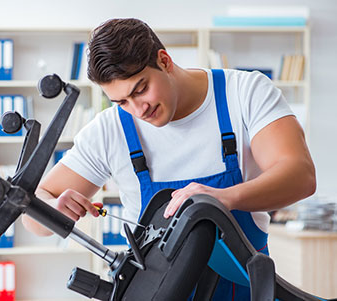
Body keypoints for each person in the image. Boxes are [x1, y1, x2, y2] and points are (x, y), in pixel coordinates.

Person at [22, 18, 316, 299]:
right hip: (155, 292)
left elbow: (299, 175)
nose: (138, 110)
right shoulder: (110, 129)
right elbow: (33, 213)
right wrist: (54, 209)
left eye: (141, 89)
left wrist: (224, 198)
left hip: (243, 290)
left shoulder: (244, 93)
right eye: (122, 101)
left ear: (164, 60)